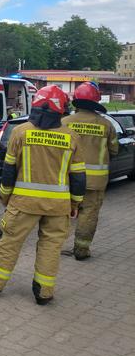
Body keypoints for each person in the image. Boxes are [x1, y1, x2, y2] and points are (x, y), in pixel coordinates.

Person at [0, 85, 86, 305]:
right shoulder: (71, 137)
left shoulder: (21, 132)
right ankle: (44, 292)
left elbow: (9, 169)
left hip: (23, 204)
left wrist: (5, 195)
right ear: (62, 110)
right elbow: (78, 176)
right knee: (51, 247)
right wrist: (76, 203)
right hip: (58, 207)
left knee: (9, 242)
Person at [62, 82, 118, 260]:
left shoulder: (64, 122)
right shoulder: (106, 124)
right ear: (96, 102)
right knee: (88, 214)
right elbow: (114, 150)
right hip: (95, 182)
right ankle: (81, 249)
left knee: (62, 211)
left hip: (67, 179)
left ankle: (52, 246)